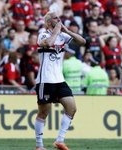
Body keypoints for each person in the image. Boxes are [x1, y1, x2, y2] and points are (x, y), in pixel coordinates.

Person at [35, 12, 86, 150]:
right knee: (43, 112)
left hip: (59, 79)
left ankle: (59, 140)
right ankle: (39, 145)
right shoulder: (43, 35)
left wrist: (67, 31)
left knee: (72, 108)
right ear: (49, 22)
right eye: (56, 18)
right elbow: (49, 43)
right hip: (45, 80)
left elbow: (82, 42)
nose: (59, 19)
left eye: (59, 17)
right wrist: (57, 31)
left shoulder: (63, 35)